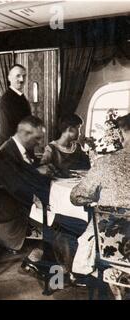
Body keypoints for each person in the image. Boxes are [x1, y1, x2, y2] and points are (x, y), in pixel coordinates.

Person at [70, 113, 130, 299]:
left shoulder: (105, 163)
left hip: (113, 249)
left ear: (121, 135)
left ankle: (113, 279)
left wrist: (95, 200)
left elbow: (76, 196)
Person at [0, 116, 53, 252]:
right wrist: (46, 200)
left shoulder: (18, 149)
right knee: (62, 219)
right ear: (24, 134)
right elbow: (18, 188)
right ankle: (45, 259)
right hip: (10, 214)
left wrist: (38, 171)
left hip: (18, 202)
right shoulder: (4, 156)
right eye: (37, 138)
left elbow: (22, 175)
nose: (40, 143)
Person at [0, 64, 31, 149]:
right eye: (18, 76)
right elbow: (7, 132)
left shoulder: (21, 98)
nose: (22, 79)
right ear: (9, 78)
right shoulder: (5, 101)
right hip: (10, 150)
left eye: (24, 76)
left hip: (23, 147)